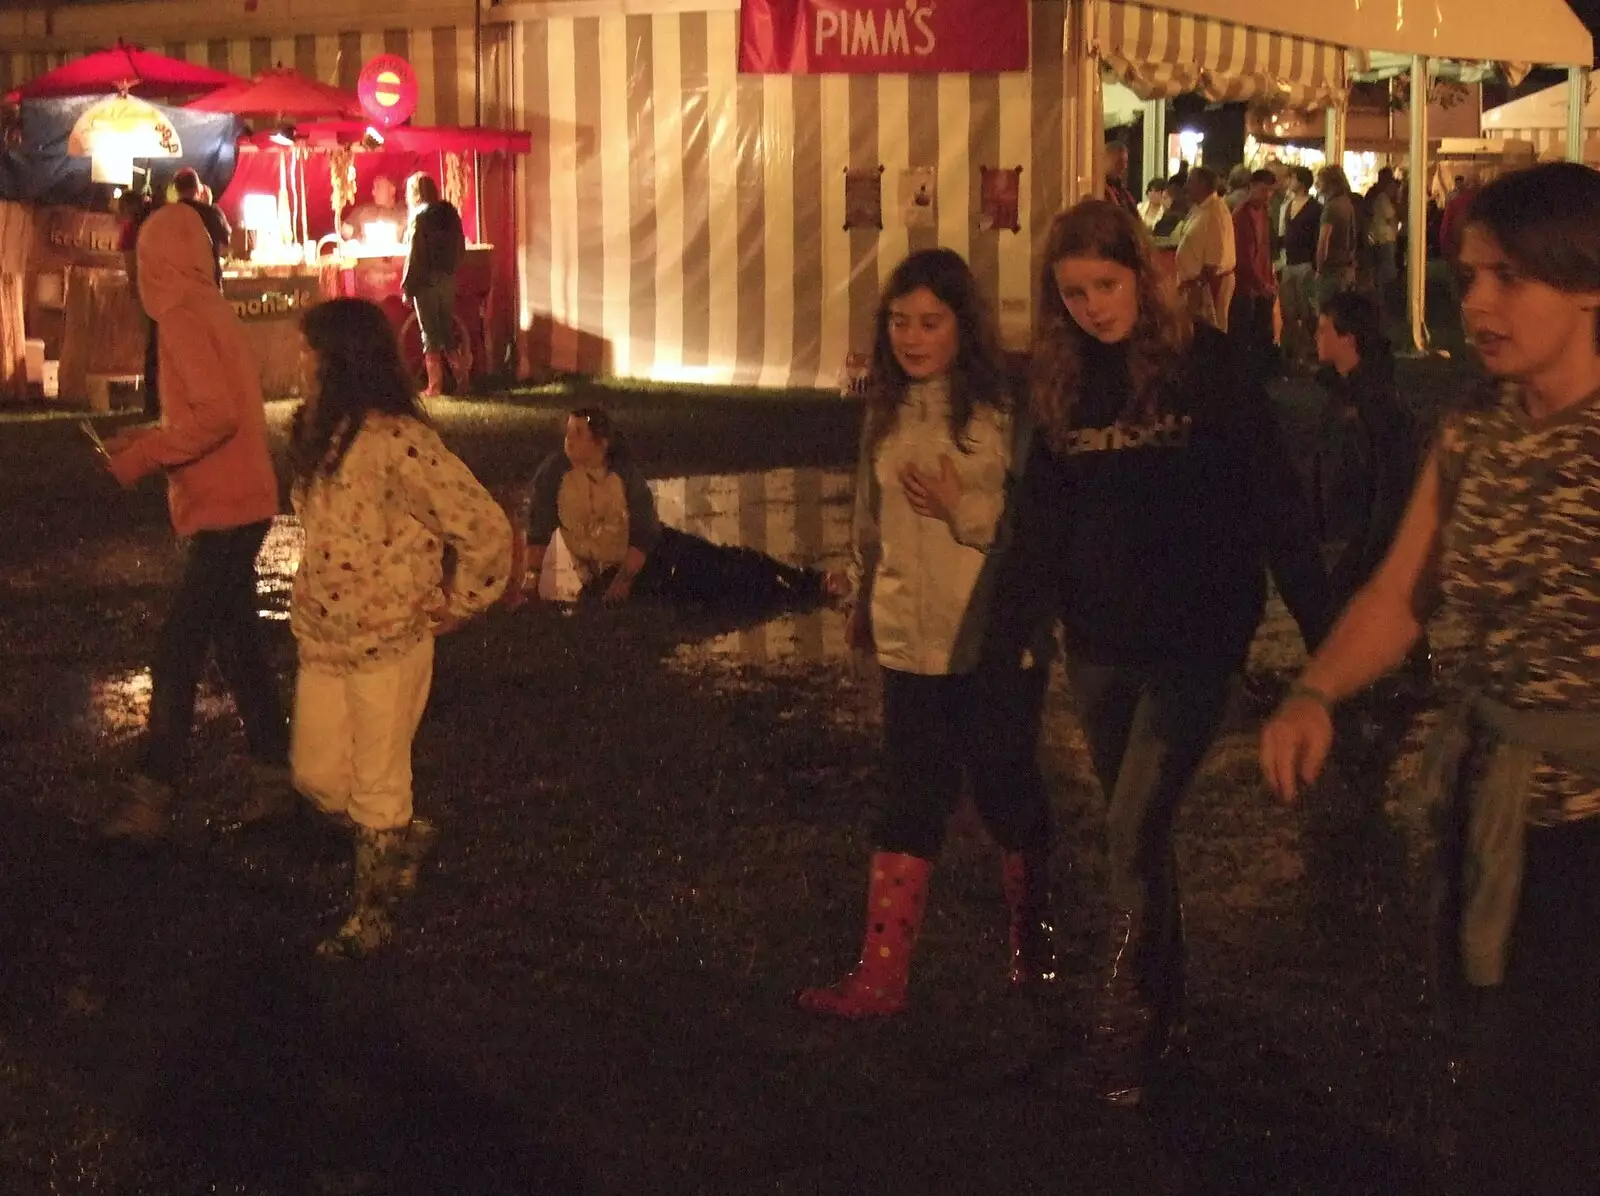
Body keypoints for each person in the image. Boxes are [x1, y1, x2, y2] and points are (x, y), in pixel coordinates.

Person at [1260, 162, 1600, 1196]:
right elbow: (1399, 598)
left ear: (1588, 283)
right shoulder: (1470, 434)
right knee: (1519, 1089)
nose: (1477, 302)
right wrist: (1314, 689)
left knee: (1529, 1126)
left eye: (1507, 277)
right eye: (1469, 274)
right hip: (1496, 812)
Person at [987, 200, 1329, 1105]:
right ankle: (1164, 1002)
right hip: (1099, 640)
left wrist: (1328, 645)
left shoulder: (1206, 369)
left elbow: (1275, 502)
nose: (1094, 307)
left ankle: (1127, 1020)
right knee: (1142, 829)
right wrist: (1007, 636)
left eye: (1106, 284)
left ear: (1143, 272)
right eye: (1074, 294)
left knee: (1133, 821)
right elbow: (1038, 524)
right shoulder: (1061, 386)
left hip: (1195, 638)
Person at [797, 248, 1055, 1019]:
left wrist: (962, 510)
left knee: (1006, 792)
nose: (913, 337)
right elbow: (871, 521)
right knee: (909, 797)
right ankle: (880, 977)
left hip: (992, 642)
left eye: (930, 322)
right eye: (900, 322)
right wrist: (862, 592)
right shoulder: (885, 410)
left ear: (961, 326)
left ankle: (1035, 949)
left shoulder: (1001, 416)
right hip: (911, 642)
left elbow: (1032, 531)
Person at [287, 297, 512, 958]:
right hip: (325, 640)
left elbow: (483, 526)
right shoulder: (318, 432)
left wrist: (461, 600)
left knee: (379, 786)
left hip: (390, 643)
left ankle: (375, 915)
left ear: (338, 359)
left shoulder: (399, 443)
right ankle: (401, 837)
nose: (300, 361)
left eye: (309, 349)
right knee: (321, 777)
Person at [99, 203, 292, 839]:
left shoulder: (181, 318)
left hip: (224, 509)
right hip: (245, 501)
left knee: (178, 650)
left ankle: (150, 796)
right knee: (238, 647)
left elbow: (215, 417)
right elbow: (216, 408)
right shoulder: (211, 308)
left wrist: (145, 454)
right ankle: (276, 780)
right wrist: (149, 435)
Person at [513, 408, 843, 609]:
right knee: (721, 582)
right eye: (568, 433)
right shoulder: (554, 473)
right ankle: (802, 585)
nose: (569, 441)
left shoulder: (622, 474)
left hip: (655, 557)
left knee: (729, 567)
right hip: (611, 571)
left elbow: (644, 532)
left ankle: (808, 583)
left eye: (579, 434)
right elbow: (540, 527)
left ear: (601, 444)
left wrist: (624, 581)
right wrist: (530, 582)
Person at [401, 172, 467, 398]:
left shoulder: (419, 218)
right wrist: (451, 270)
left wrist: (407, 286)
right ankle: (462, 376)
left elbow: (415, 256)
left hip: (426, 282)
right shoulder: (449, 213)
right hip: (447, 279)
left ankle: (434, 386)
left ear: (416, 193)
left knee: (430, 333)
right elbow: (461, 247)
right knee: (446, 330)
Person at [1230, 168, 1279, 378]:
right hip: (1246, 287)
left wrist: (1270, 278)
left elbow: (1264, 250)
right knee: (1246, 336)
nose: (1267, 195)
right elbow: (1244, 258)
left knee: (1260, 334)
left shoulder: (1264, 212)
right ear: (1251, 187)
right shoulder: (1242, 214)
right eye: (1263, 190)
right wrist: (1262, 284)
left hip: (1260, 285)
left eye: (1270, 191)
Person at [1175, 166, 1236, 332]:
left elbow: (1214, 259)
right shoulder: (1200, 208)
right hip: (1196, 285)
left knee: (1210, 333)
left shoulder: (1215, 211)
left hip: (1208, 287)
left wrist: (1198, 287)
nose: (1186, 186)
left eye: (1190, 182)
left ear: (1202, 185)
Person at [1278, 165, 1323, 370]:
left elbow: (1317, 237)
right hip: (1289, 263)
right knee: (1289, 310)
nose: (1290, 182)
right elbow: (1282, 234)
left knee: (1306, 311)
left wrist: (1315, 264)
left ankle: (1305, 352)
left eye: (1294, 178)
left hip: (1305, 263)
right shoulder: (1287, 205)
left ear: (1302, 182)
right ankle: (1292, 351)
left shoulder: (1315, 208)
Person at [1313, 164, 1359, 310]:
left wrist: (1319, 269)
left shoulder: (1331, 207)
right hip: (1346, 267)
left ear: (1329, 183)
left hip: (1331, 270)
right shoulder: (1347, 202)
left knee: (1326, 312)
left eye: (1320, 180)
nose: (1316, 184)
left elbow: (1323, 242)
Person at [172, 166, 229, 283]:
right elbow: (226, 238)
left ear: (176, 190)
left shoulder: (167, 216)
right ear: (198, 189)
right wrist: (209, 205)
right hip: (208, 283)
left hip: (179, 285)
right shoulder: (211, 213)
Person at [1364, 167, 1400, 329]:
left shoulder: (1373, 194)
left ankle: (1380, 307)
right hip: (1384, 239)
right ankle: (1383, 307)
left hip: (1377, 238)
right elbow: (1392, 217)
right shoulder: (1382, 197)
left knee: (1380, 274)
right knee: (1385, 275)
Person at [341, 174, 406, 244]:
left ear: (392, 189)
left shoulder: (404, 214)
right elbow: (346, 230)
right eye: (373, 188)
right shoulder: (363, 211)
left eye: (378, 187)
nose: (373, 192)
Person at [1104, 140, 1140, 217]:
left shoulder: (1122, 191)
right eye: (1119, 162)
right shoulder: (1099, 188)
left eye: (1125, 162)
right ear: (1105, 160)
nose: (1124, 167)